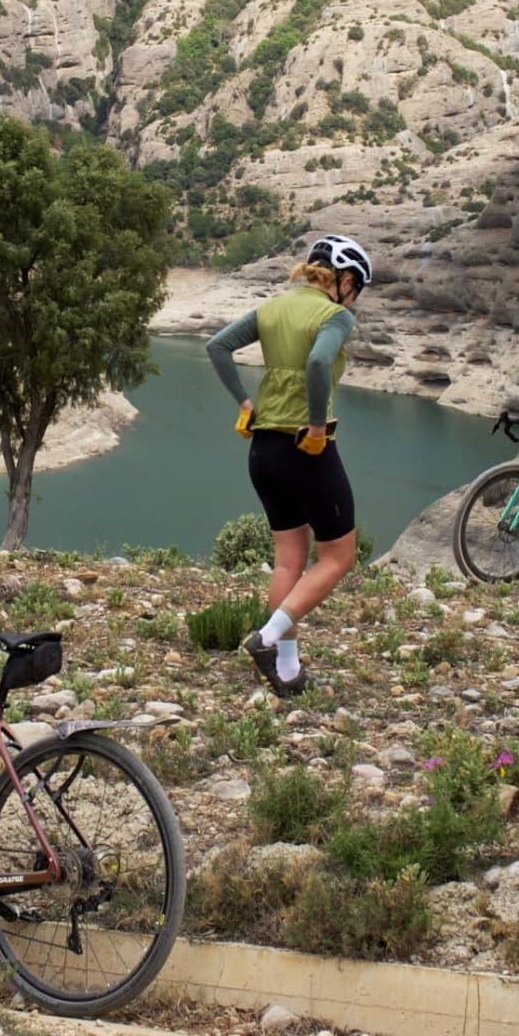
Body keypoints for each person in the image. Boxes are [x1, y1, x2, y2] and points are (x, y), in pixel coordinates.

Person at [206, 235, 372, 698]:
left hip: (264, 450)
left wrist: (245, 402)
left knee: (288, 559)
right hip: (306, 449)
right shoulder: (336, 315)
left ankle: (287, 670)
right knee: (338, 557)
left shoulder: (272, 308)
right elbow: (320, 361)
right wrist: (317, 427)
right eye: (356, 287)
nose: (355, 297)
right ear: (344, 281)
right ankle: (267, 637)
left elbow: (218, 347)